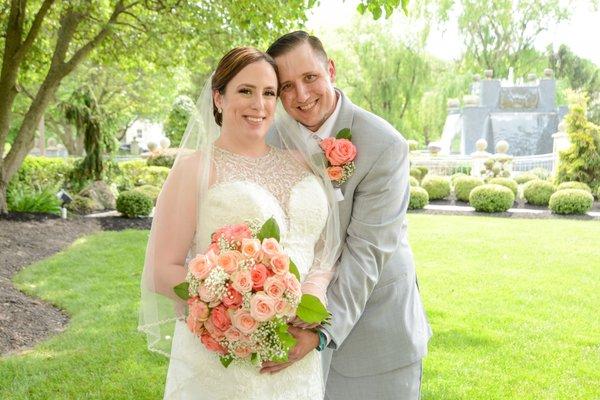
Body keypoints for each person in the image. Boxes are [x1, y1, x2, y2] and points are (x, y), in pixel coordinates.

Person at [138, 47, 341, 399]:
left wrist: (312, 293)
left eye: (269, 93)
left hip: (295, 358)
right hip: (225, 356)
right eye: (245, 91)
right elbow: (161, 270)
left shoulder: (301, 164)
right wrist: (237, 306)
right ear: (218, 97)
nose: (259, 105)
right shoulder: (194, 171)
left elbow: (321, 248)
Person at [261, 31, 432, 400]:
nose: (302, 96)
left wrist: (320, 330)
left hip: (377, 329)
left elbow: (367, 250)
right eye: (287, 86)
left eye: (310, 78)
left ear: (331, 70)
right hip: (291, 322)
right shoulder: (269, 141)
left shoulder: (384, 144)